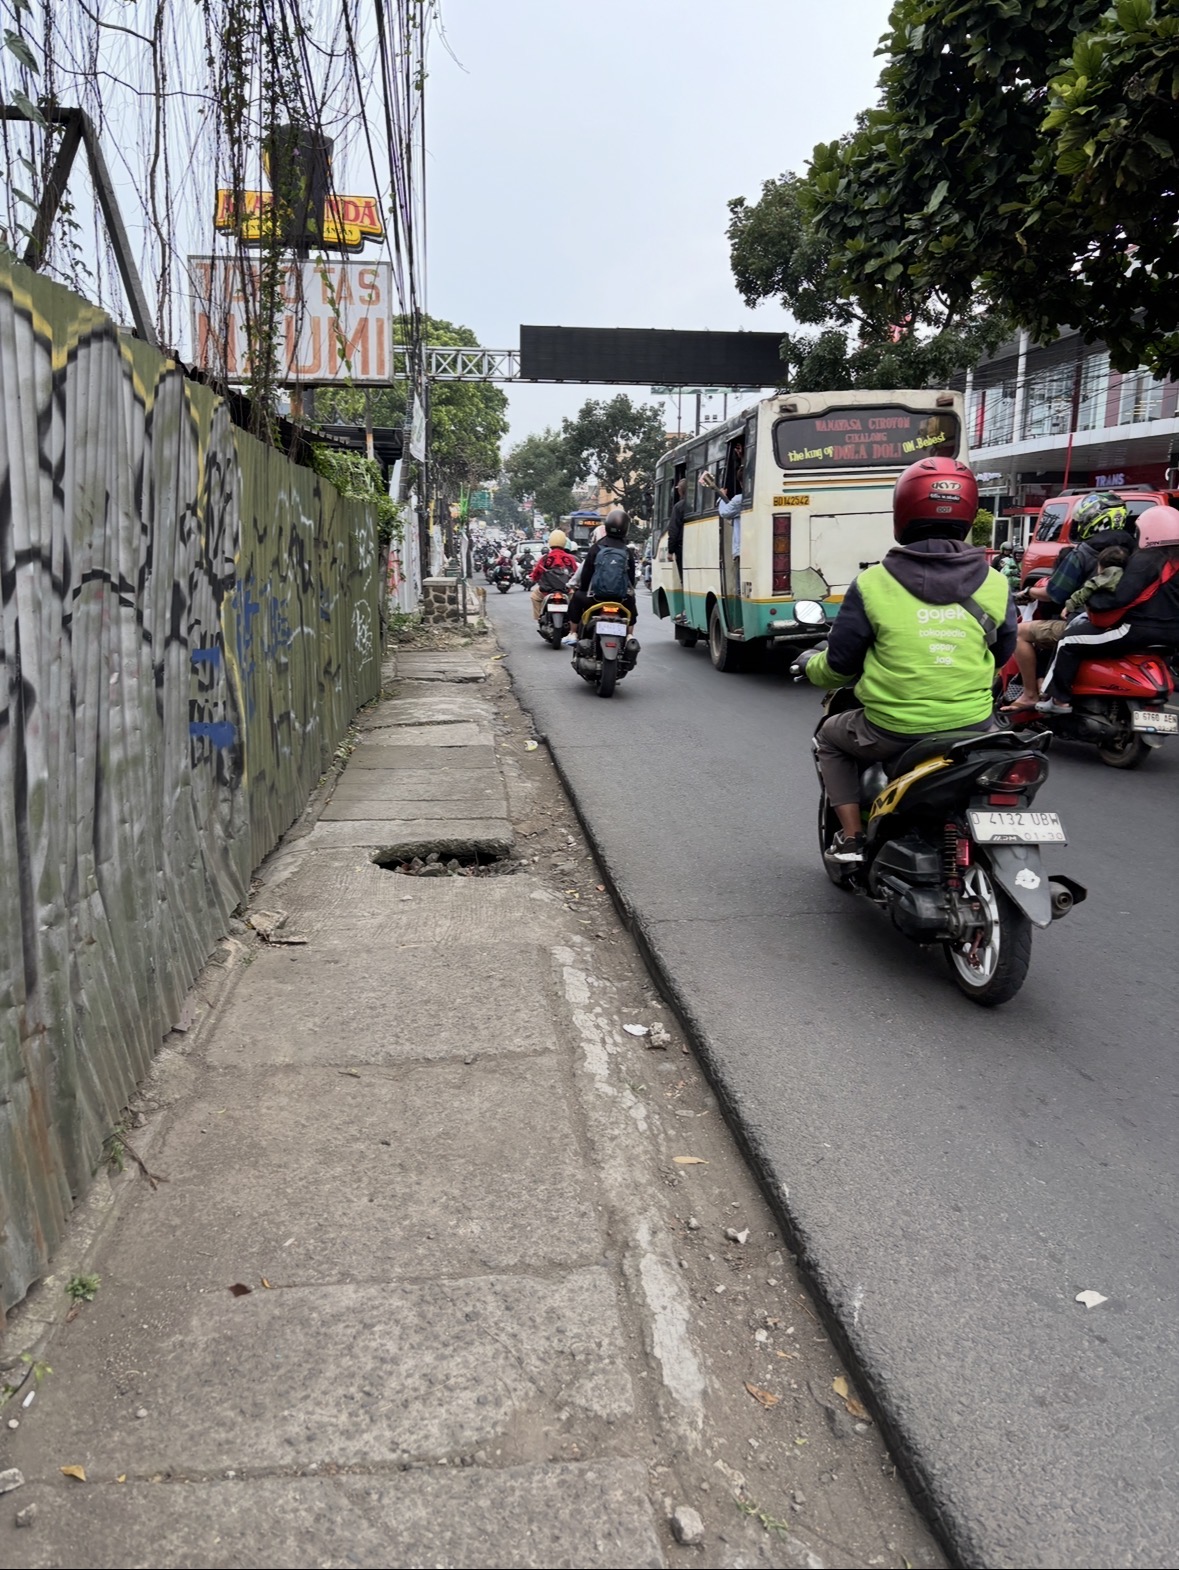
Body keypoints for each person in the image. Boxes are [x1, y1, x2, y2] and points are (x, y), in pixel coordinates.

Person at [794, 456, 1017, 863]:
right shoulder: (997, 582)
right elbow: (1002, 653)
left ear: (903, 511)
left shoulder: (872, 583)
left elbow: (839, 667)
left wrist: (810, 664)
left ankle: (852, 837)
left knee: (830, 738)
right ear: (969, 512)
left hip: (892, 728)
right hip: (975, 726)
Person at [1037, 505, 1179, 713]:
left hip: (1135, 630)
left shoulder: (1146, 559)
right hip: (1173, 636)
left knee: (1068, 640)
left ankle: (1059, 699)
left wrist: (1093, 603)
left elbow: (1120, 596)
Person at [1003, 493, 1136, 711]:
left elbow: (1055, 593)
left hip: (1087, 624)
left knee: (1019, 633)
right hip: (1127, 626)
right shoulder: (1137, 552)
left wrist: (1029, 592)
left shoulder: (1084, 552)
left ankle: (1029, 695)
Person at [562, 507, 638, 647]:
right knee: (632, 602)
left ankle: (573, 632)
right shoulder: (627, 551)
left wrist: (583, 589)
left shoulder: (596, 548)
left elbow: (586, 575)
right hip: (620, 599)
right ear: (626, 528)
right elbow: (631, 579)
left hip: (595, 598)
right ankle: (629, 635)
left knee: (577, 598)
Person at [528, 529, 578, 620]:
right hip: (566, 590)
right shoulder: (569, 558)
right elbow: (576, 573)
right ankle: (572, 620)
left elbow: (536, 573)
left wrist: (534, 579)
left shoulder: (545, 558)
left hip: (547, 590)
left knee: (534, 597)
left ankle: (539, 618)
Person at [667, 479, 688, 619]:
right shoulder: (698, 504)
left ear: (680, 491)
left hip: (682, 547)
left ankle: (686, 609)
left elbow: (673, 530)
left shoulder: (679, 507)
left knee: (684, 578)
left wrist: (670, 550)